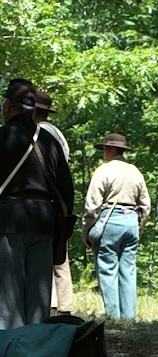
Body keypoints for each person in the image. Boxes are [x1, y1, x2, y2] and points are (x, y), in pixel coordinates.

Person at [0, 79, 74, 330]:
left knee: (8, 307)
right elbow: (66, 189)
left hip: (7, 222)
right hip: (44, 224)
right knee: (38, 306)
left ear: (8, 108)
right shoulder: (49, 141)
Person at [83, 133, 150, 320]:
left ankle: (113, 317)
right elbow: (145, 205)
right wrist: (139, 227)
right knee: (128, 270)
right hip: (131, 223)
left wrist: (86, 229)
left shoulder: (103, 171)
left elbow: (92, 205)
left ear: (112, 149)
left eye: (105, 148)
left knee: (107, 269)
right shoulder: (135, 171)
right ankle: (129, 317)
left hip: (109, 221)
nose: (103, 151)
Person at [33, 90, 74, 316]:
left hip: (45, 197)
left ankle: (50, 302)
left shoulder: (39, 132)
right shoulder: (58, 133)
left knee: (44, 255)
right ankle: (65, 303)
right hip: (58, 199)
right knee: (60, 255)